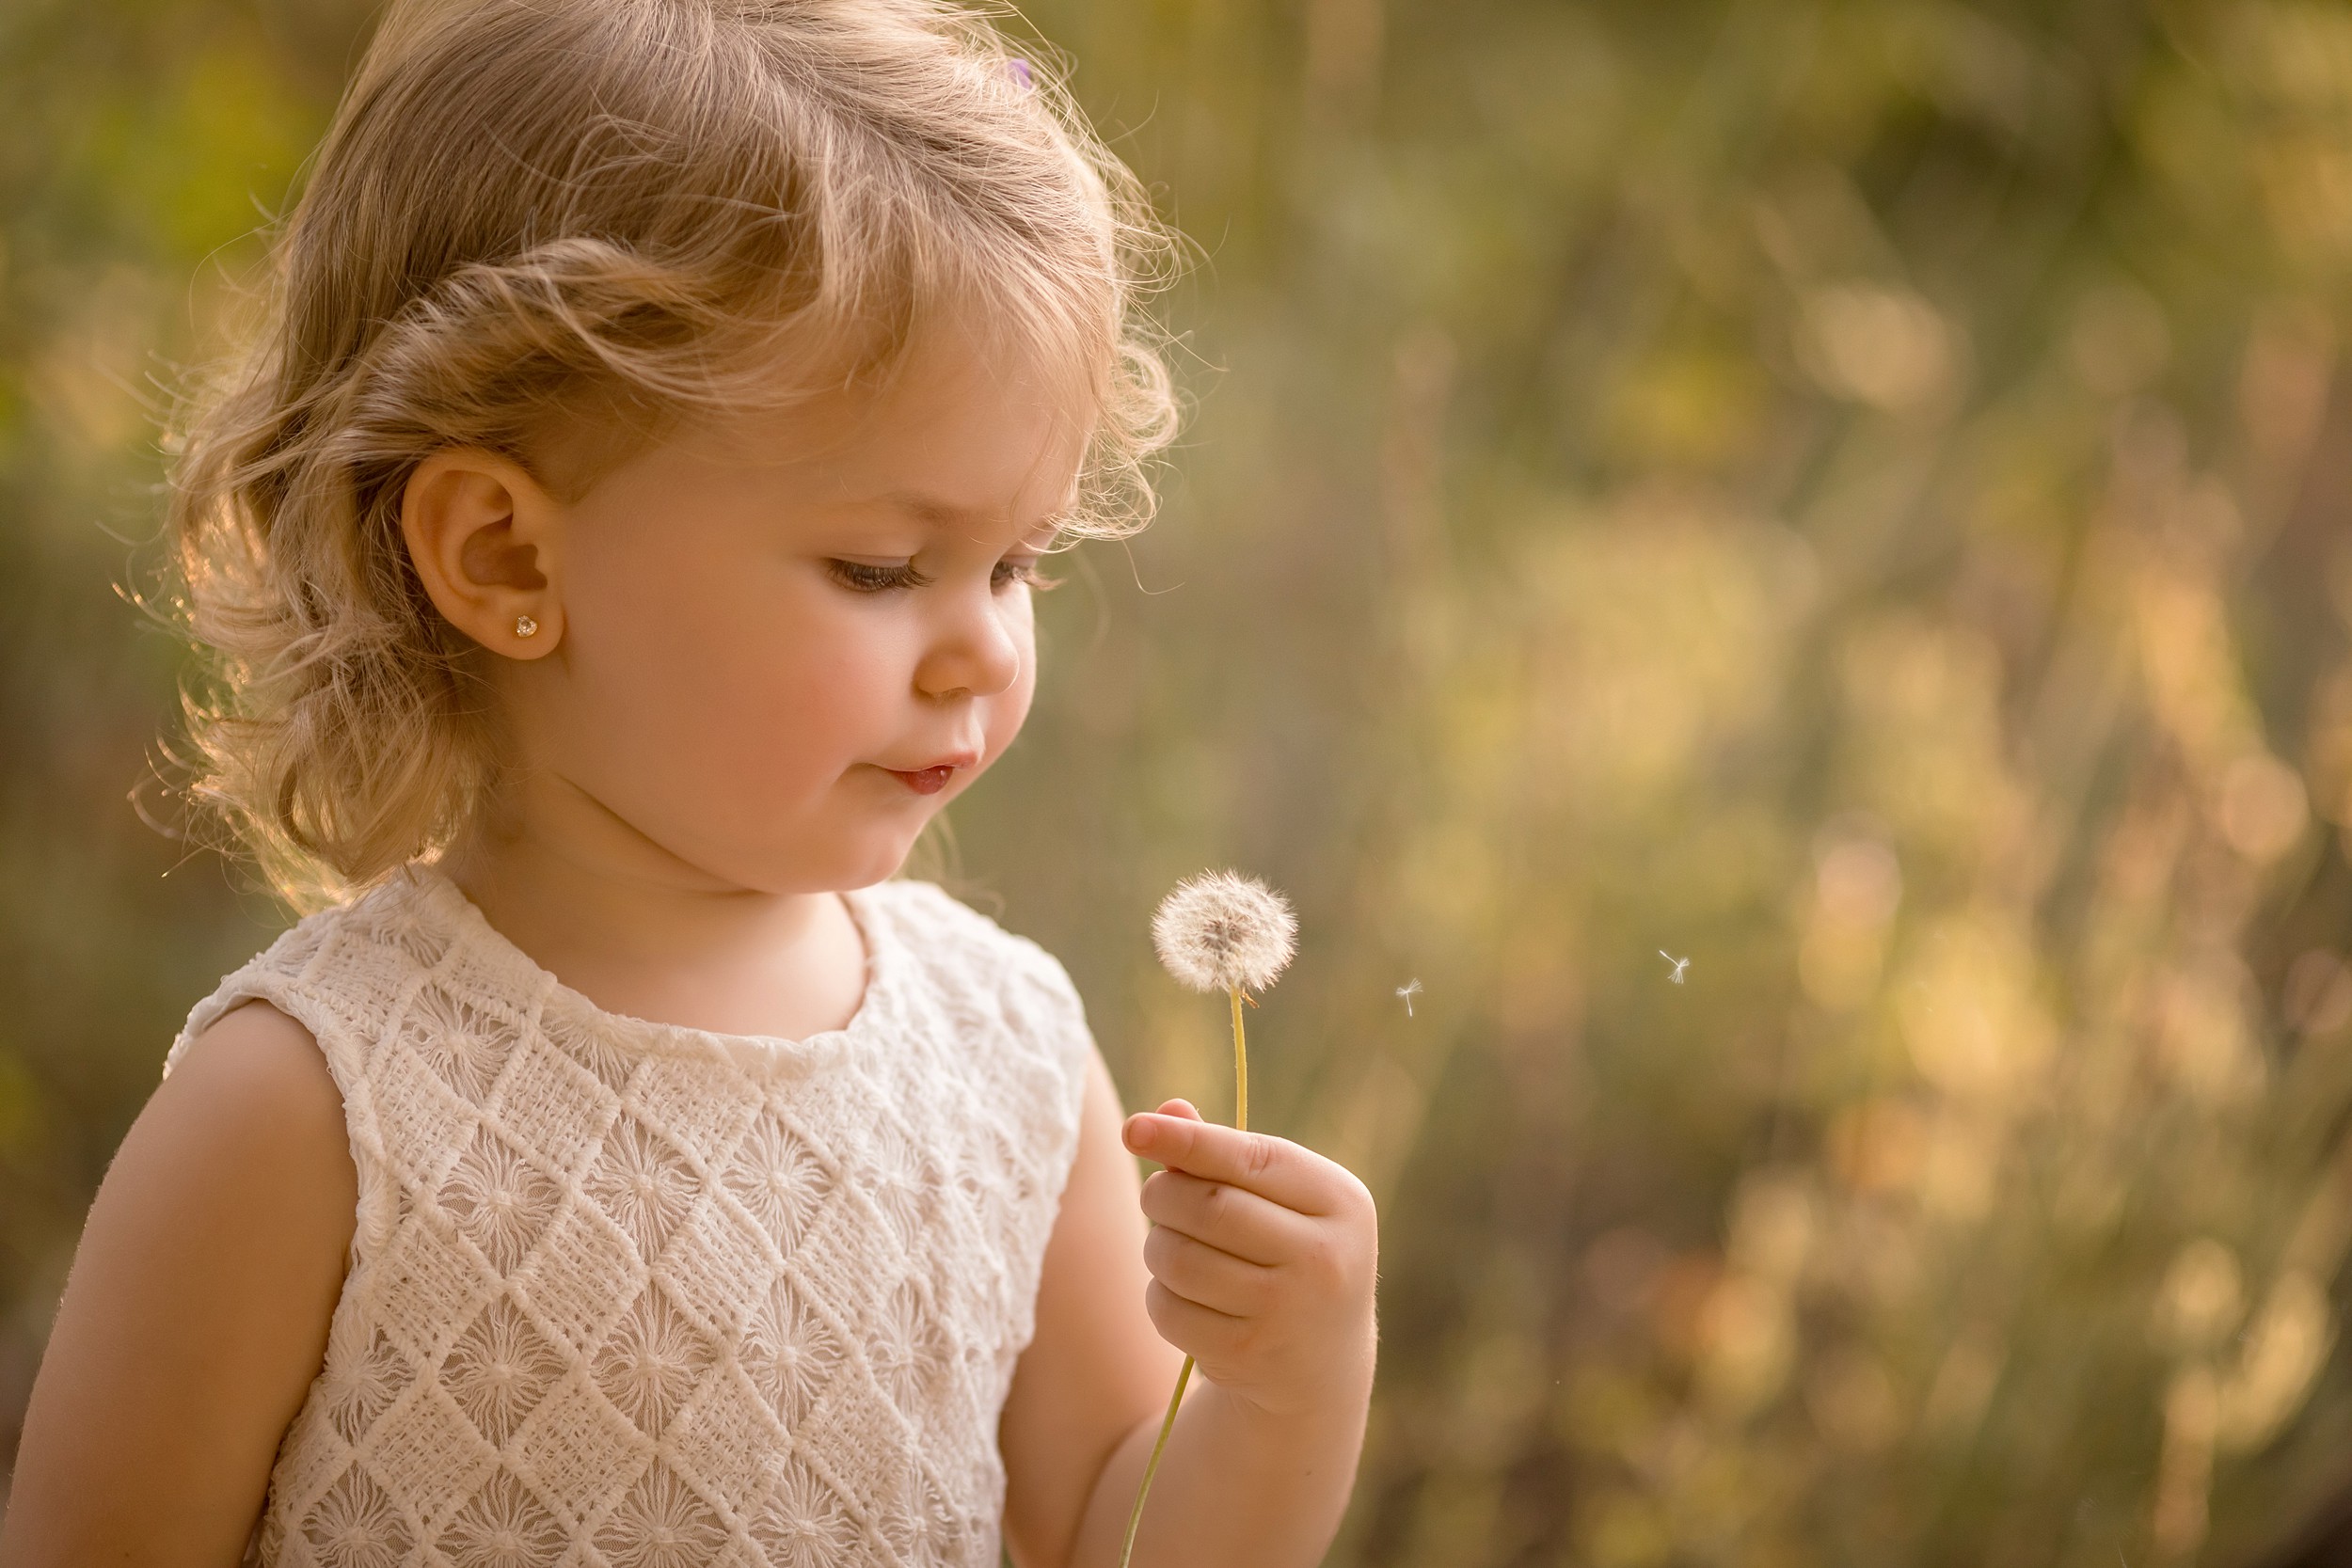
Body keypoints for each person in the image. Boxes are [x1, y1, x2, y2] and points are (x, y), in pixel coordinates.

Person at [0, 1, 1379, 1562]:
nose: (984, 652)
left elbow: (1102, 1535)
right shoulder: (307, 1111)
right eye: (881, 568)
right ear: (505, 553)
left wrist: (1283, 1392)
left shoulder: (1007, 1054)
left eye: (1018, 563)